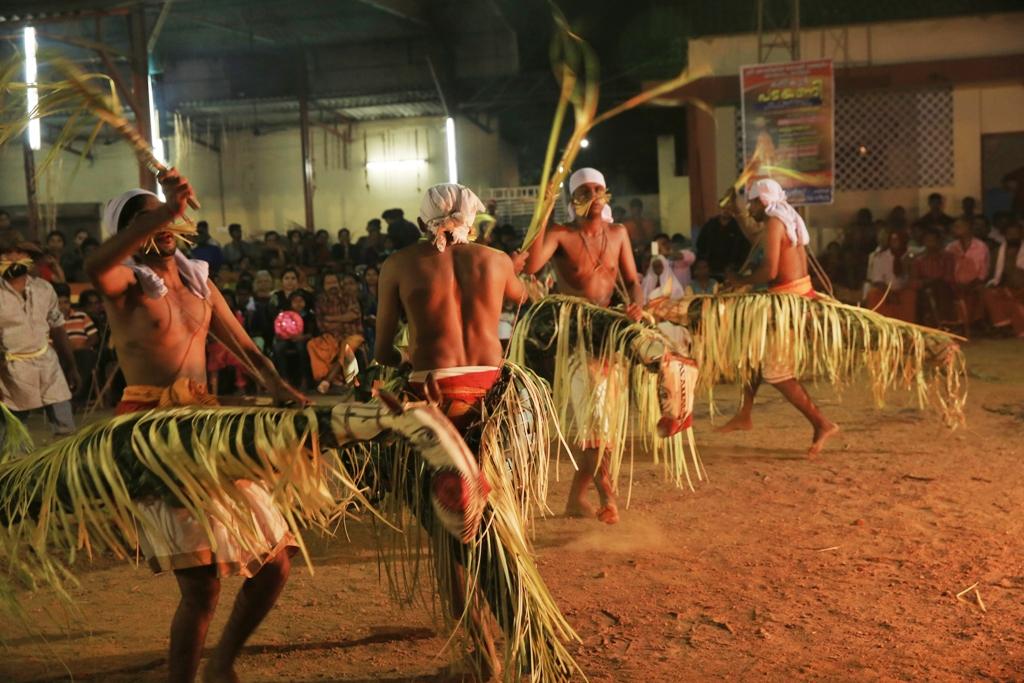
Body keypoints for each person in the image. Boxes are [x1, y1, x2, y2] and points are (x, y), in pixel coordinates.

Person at [85, 173, 306, 683]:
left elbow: (246, 347)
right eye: (141, 220)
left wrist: (277, 385)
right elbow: (96, 265)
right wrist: (161, 212)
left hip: (207, 430)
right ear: (125, 234)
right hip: (152, 437)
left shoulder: (197, 282)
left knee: (276, 560)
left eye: (164, 216)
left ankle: (223, 659)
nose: (162, 225)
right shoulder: (125, 286)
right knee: (202, 584)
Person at [375, 182, 530, 677]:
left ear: (423, 221)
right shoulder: (497, 260)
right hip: (493, 397)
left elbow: (381, 352)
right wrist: (508, 270)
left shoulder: (398, 264)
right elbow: (525, 303)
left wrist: (405, 356)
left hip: (433, 398)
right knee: (492, 521)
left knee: (447, 530)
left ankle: (483, 653)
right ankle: (521, 636)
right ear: (473, 219)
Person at [520, 167, 648, 523]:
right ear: (572, 199)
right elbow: (531, 265)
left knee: (602, 421)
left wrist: (637, 303)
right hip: (573, 335)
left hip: (607, 333)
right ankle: (607, 494)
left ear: (606, 193)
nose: (593, 196)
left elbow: (633, 280)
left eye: (598, 189)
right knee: (594, 422)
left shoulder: (619, 233)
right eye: (584, 191)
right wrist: (543, 211)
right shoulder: (563, 234)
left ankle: (576, 500)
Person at [717, 178, 838, 458]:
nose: (750, 208)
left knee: (775, 371)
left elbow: (770, 271)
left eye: (751, 203)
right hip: (794, 296)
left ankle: (822, 423)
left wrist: (739, 280)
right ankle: (744, 413)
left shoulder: (775, 222)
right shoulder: (784, 219)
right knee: (753, 355)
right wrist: (736, 212)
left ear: (761, 202)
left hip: (788, 303)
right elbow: (758, 238)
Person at [0, 238, 79, 436]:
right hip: (9, 369)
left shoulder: (44, 288)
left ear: (30, 258)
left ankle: (63, 465)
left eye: (19, 252)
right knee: (12, 434)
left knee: (65, 427)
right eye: (6, 253)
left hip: (47, 363)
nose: (12, 258)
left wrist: (71, 365)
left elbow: (58, 327)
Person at [308, 272, 363, 394]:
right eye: (328, 283)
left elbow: (354, 315)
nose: (332, 285)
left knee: (347, 346)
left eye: (334, 282)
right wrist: (344, 319)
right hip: (331, 335)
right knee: (313, 344)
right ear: (323, 286)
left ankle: (328, 381)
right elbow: (322, 324)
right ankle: (332, 381)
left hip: (352, 334)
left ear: (339, 283)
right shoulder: (321, 301)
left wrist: (332, 319)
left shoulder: (348, 297)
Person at [54, 282, 98, 404]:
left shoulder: (81, 316)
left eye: (66, 302)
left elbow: (93, 337)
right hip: (61, 354)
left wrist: (83, 346)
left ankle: (76, 396)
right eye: (59, 303)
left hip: (82, 352)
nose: (63, 306)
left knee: (85, 356)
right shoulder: (51, 321)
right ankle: (65, 398)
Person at [945, 217, 990, 335]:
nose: (955, 230)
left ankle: (976, 324)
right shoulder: (951, 247)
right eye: (954, 227)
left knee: (980, 292)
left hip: (975, 283)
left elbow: (983, 271)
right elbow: (947, 269)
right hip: (955, 283)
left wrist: (972, 283)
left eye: (959, 227)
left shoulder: (981, 246)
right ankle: (956, 324)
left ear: (969, 228)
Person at [981, 222, 1024, 337]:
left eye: (1016, 233)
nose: (1013, 236)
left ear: (1022, 235)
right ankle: (1003, 326)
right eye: (1010, 234)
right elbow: (992, 275)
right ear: (1005, 235)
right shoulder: (997, 252)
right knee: (988, 293)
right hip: (1004, 287)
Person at [864, 231, 917, 323]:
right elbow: (878, 281)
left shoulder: (911, 256)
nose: (895, 242)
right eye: (893, 240)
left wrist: (908, 266)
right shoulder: (881, 257)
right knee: (873, 295)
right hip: (884, 291)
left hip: (903, 291)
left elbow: (912, 278)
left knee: (910, 295)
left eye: (898, 240)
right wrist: (889, 293)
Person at [911, 228, 956, 327]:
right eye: (927, 240)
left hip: (944, 287)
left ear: (939, 241)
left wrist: (934, 281)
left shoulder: (947, 257)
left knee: (940, 288)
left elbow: (948, 277)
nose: (930, 243)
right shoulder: (918, 259)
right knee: (922, 293)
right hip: (925, 288)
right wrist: (926, 282)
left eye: (933, 240)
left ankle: (945, 322)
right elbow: (915, 281)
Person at [696, 209, 751, 282]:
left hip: (732, 271)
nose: (726, 210)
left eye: (728, 207)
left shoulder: (738, 226)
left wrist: (735, 265)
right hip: (711, 270)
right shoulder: (710, 224)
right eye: (723, 207)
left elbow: (745, 248)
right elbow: (700, 244)